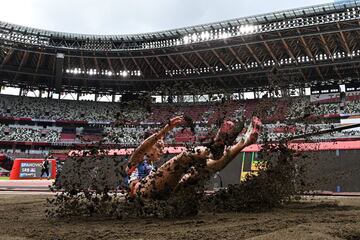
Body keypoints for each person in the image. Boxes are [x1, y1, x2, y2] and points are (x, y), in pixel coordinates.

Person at [126, 116, 261, 199]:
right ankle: (215, 145)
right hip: (141, 192)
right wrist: (164, 130)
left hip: (162, 195)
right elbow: (141, 149)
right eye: (158, 147)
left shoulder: (152, 168)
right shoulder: (136, 161)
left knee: (203, 170)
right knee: (185, 156)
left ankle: (245, 141)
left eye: (162, 147)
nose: (162, 150)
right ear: (149, 146)